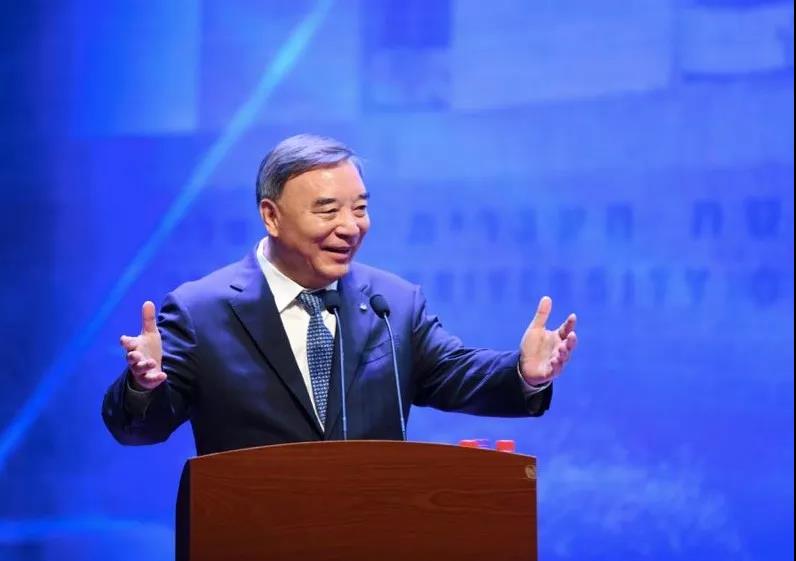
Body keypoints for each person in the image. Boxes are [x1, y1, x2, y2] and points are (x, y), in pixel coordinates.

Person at [102, 134, 578, 455]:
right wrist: (143, 387)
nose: (350, 227)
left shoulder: (393, 304)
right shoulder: (202, 310)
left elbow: (455, 374)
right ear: (271, 216)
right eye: (328, 211)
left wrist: (525, 373)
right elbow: (139, 429)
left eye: (360, 208)